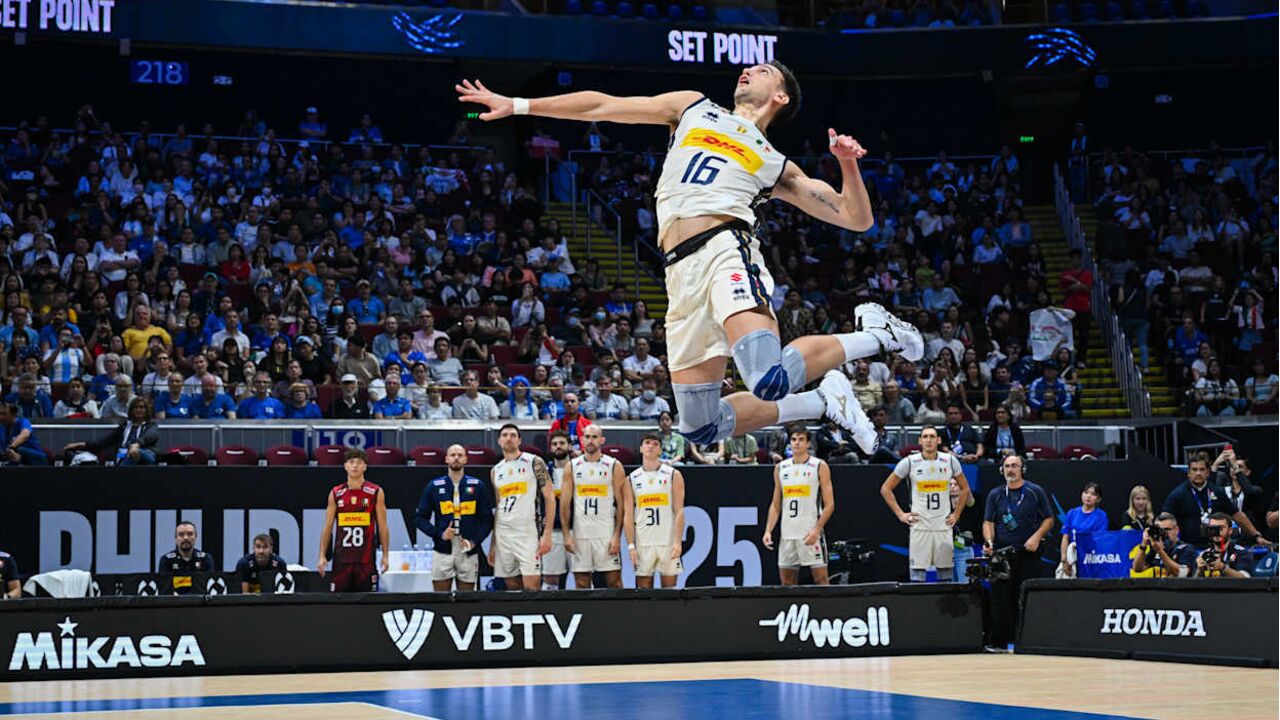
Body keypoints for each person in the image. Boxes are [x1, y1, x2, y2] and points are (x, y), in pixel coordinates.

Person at [456, 67, 925, 457]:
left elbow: (856, 217)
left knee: (767, 378)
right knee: (701, 427)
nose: (747, 70)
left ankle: (878, 333)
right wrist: (518, 104)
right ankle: (821, 401)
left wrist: (847, 163)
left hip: (725, 250)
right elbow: (603, 105)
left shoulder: (775, 163)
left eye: (762, 70)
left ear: (780, 96)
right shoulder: (694, 107)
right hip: (678, 273)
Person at [982, 454, 1054, 649]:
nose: (1010, 470)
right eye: (1007, 466)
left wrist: (1036, 537)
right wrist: (989, 542)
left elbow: (1049, 519)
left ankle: (1027, 642)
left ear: (1023, 469)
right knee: (1000, 599)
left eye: (1014, 466)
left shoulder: (1034, 491)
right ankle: (998, 644)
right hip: (1002, 555)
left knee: (1024, 597)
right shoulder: (995, 494)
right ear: (1001, 470)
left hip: (1027, 553)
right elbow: (988, 522)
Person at [880, 426, 970, 582]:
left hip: (943, 525)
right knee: (917, 576)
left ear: (939, 440)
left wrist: (956, 515)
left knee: (945, 576)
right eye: (925, 436)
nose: (929, 440)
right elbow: (885, 489)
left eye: (932, 436)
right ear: (920, 440)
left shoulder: (950, 460)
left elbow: (965, 489)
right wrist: (901, 514)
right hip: (920, 525)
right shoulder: (909, 462)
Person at [415, 444, 494, 592]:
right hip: (442, 551)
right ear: (446, 459)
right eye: (452, 455)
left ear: (465, 459)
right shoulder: (434, 486)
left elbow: (487, 520)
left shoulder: (477, 486)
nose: (456, 458)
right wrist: (440, 534)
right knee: (440, 598)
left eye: (460, 455)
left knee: (467, 599)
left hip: (467, 551)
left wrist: (474, 541)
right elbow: (420, 519)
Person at [762, 425, 834, 585]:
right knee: (787, 584)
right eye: (794, 439)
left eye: (801, 439)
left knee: (822, 581)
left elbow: (830, 505)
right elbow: (775, 504)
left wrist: (816, 530)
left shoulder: (819, 466)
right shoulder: (781, 468)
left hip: (810, 533)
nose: (797, 443)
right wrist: (768, 530)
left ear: (808, 443)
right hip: (787, 535)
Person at [489, 424, 555, 591]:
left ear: (519, 440)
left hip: (527, 531)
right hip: (504, 533)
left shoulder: (534, 462)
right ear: (499, 441)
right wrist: (493, 543)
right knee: (511, 586)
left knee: (532, 587)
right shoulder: (496, 470)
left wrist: (547, 534)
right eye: (505, 435)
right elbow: (498, 506)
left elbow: (550, 498)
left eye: (513, 435)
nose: (508, 438)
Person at [560, 424, 627, 589]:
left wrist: (617, 535)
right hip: (581, 533)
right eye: (587, 437)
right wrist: (566, 535)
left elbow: (621, 503)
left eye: (595, 437)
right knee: (581, 584)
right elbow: (565, 504)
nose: (590, 441)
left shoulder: (614, 465)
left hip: (606, 533)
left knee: (615, 582)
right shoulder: (572, 466)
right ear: (582, 439)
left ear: (602, 440)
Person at [317, 448, 390, 592]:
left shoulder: (375, 492)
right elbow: (327, 527)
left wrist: (385, 555)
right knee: (339, 601)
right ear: (345, 466)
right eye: (351, 462)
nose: (355, 466)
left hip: (366, 561)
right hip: (342, 560)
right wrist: (322, 555)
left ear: (365, 466)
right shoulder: (336, 492)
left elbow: (383, 527)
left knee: (367, 601)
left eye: (359, 462)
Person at [625, 432, 686, 588]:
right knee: (644, 593)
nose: (650, 446)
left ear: (660, 450)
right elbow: (628, 515)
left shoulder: (673, 475)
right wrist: (631, 545)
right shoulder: (631, 479)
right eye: (647, 442)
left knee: (670, 593)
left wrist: (677, 542)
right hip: (643, 542)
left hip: (668, 542)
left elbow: (679, 511)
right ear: (641, 448)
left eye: (655, 444)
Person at [1162, 456, 1263, 547]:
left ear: (1207, 473)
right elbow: (1165, 518)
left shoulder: (1218, 491)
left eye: (1202, 469)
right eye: (1194, 469)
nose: (1198, 473)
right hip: (1189, 548)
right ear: (1188, 473)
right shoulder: (1178, 494)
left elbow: (1237, 515)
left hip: (1217, 547)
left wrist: (1256, 536)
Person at [61, 397, 159, 465]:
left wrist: (136, 445)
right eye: (136, 407)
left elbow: (149, 436)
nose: (139, 410)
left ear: (146, 410)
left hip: (145, 455)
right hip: (123, 454)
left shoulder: (151, 426)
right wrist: (79, 444)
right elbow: (104, 441)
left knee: (135, 452)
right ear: (131, 410)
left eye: (142, 407)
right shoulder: (125, 426)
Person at [542, 430, 574, 590]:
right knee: (550, 578)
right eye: (554, 444)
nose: (558, 446)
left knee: (583, 575)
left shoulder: (578, 469)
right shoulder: (544, 472)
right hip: (553, 531)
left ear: (569, 446)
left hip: (576, 529)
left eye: (562, 443)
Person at [1059, 482, 1109, 577]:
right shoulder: (1072, 513)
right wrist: (1064, 559)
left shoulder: (1101, 516)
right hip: (1071, 557)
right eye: (1086, 492)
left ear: (1098, 499)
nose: (1088, 496)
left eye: (1093, 494)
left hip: (1091, 559)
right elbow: (1065, 537)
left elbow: (1099, 541)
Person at [156, 521, 216, 596]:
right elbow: (164, 590)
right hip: (174, 602)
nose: (186, 538)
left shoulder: (205, 559)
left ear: (195, 537)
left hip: (200, 602)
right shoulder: (166, 560)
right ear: (176, 539)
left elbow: (210, 587)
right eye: (181, 534)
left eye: (190, 534)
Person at [1131, 513, 1195, 578]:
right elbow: (1137, 568)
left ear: (1176, 530)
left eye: (1167, 529)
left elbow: (1180, 573)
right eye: (1160, 530)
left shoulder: (1185, 549)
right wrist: (1143, 545)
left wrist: (1160, 551)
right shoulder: (1155, 550)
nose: (1164, 533)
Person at [1194, 512, 1255, 578]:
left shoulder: (1242, 553)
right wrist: (1200, 571)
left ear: (1230, 530)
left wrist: (1223, 568)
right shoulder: (1203, 555)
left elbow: (1245, 579)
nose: (1216, 532)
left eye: (1220, 528)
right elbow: (1192, 582)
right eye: (1213, 528)